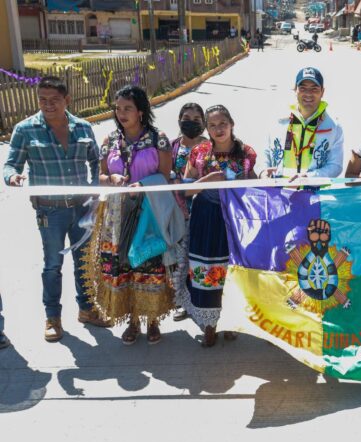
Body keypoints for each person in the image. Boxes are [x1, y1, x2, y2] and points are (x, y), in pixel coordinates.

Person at [3, 76, 111, 342]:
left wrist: (95, 190)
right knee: (52, 265)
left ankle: (87, 309)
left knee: (84, 262)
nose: (48, 105)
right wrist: (12, 177)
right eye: (42, 99)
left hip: (82, 209)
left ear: (67, 100)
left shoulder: (83, 127)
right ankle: (53, 318)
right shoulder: (25, 129)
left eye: (54, 100)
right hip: (50, 212)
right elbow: (11, 165)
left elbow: (95, 161)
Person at [84, 85, 178, 345]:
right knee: (123, 266)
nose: (121, 113)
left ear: (141, 111)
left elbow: (166, 177)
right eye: (118, 108)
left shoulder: (158, 139)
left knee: (149, 262)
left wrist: (143, 184)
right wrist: (111, 179)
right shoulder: (110, 141)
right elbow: (100, 177)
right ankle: (133, 321)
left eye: (128, 108)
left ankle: (153, 320)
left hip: (149, 212)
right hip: (117, 215)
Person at [180, 105, 257, 347]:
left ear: (232, 124)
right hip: (205, 219)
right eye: (212, 125)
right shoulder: (199, 152)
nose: (218, 129)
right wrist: (207, 180)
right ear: (207, 128)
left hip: (234, 220)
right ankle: (209, 325)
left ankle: (231, 322)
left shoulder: (246, 153)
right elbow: (185, 190)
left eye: (222, 123)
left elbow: (255, 187)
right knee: (206, 271)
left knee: (231, 271)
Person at [259, 67, 344, 179]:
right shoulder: (279, 121)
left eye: (314, 89)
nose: (308, 94)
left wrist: (309, 177)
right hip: (278, 189)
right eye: (303, 88)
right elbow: (265, 153)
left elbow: (336, 166)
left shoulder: (333, 126)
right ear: (295, 90)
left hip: (314, 189)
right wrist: (263, 172)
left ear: (322, 92)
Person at [170, 103, 207, 323]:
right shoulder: (173, 146)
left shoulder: (209, 147)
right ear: (179, 120)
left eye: (196, 120)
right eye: (186, 118)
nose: (190, 123)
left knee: (197, 260)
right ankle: (181, 302)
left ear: (203, 123)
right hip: (176, 213)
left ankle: (199, 302)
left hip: (202, 211)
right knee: (179, 260)